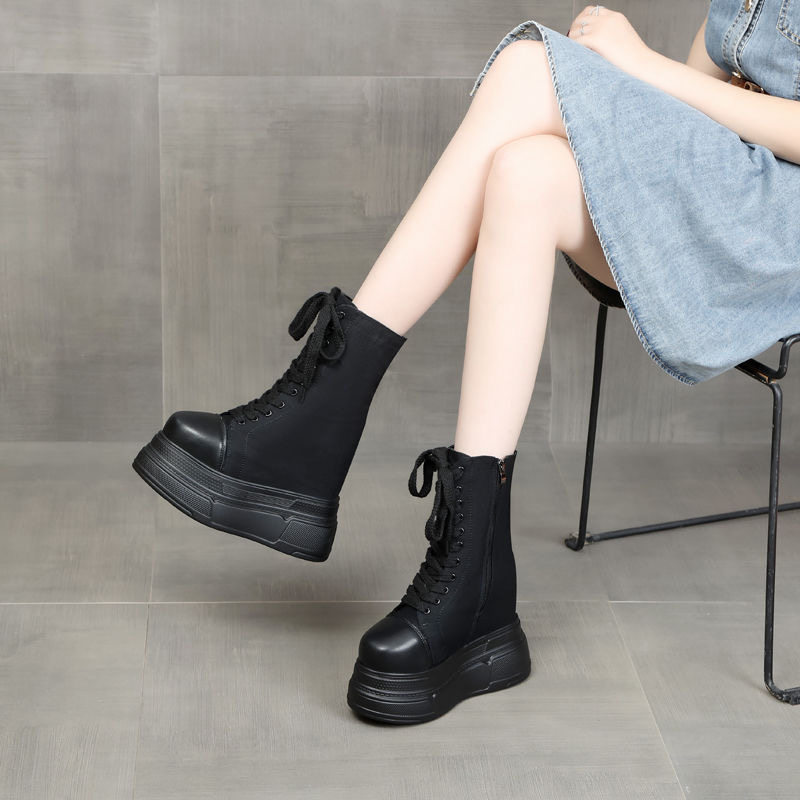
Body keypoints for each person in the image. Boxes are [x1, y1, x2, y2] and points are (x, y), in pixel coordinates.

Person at [133, 2, 800, 724]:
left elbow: (691, 93)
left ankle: (315, 422)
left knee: (530, 66)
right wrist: (640, 84)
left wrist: (642, 65)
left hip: (780, 235)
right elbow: (692, 112)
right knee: (524, 173)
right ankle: (477, 582)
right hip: (734, 188)